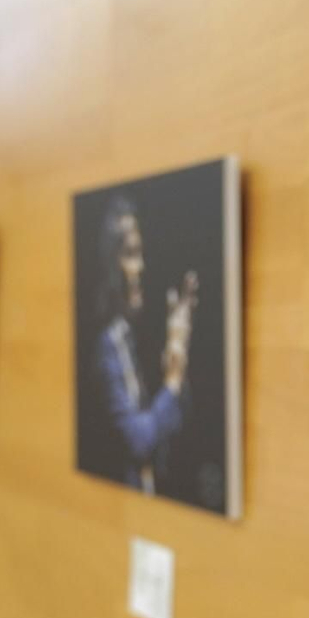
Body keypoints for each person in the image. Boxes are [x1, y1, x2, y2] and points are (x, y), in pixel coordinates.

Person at [87, 195, 198, 495]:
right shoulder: (107, 344)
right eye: (131, 255)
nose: (142, 267)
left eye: (141, 254)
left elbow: (172, 426)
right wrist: (172, 382)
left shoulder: (132, 335)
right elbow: (138, 439)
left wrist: (177, 354)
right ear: (110, 263)